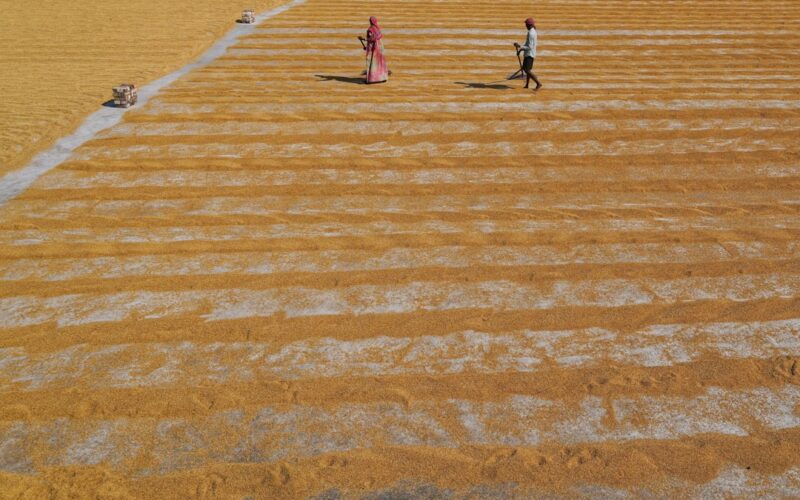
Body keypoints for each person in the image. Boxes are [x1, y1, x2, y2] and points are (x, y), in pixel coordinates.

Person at [358, 16, 389, 84]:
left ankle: (371, 79)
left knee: (372, 63)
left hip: (374, 49)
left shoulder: (370, 29)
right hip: (380, 48)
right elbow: (377, 38)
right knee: (380, 63)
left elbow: (371, 39)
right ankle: (382, 77)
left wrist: (364, 39)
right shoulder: (378, 28)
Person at [514, 18, 542, 90]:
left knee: (527, 70)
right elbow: (528, 44)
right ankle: (527, 85)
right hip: (529, 53)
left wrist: (519, 46)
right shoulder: (532, 31)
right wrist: (521, 50)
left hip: (529, 54)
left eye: (526, 24)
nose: (525, 26)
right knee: (527, 69)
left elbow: (529, 46)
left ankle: (538, 83)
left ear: (528, 25)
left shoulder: (531, 33)